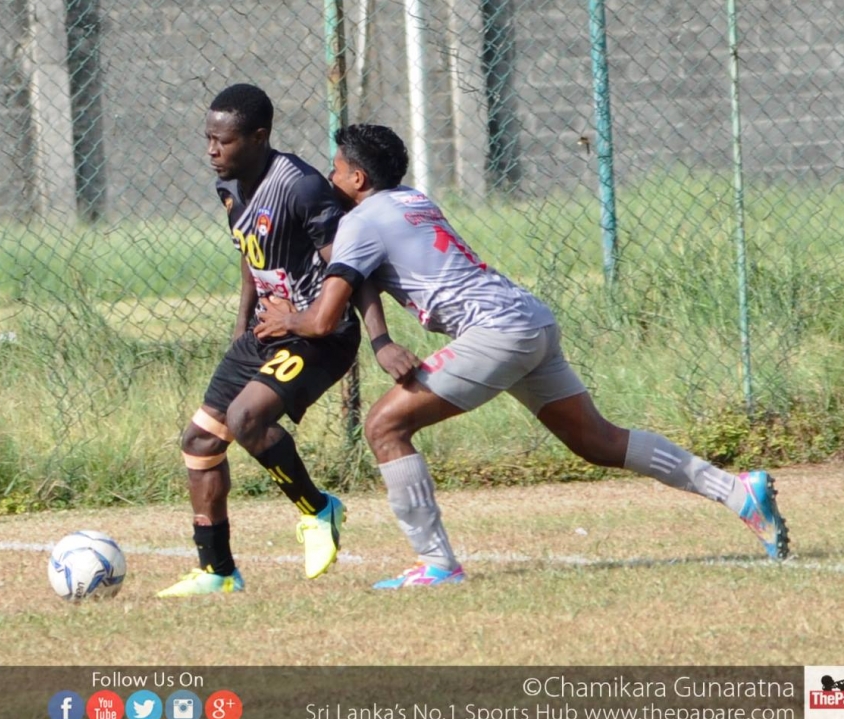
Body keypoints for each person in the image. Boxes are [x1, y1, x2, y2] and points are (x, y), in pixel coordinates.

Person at [255, 123, 790, 589]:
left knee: (384, 426)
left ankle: (436, 564)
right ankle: (736, 490)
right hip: (528, 317)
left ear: (357, 179)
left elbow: (323, 319)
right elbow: (370, 275)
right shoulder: (413, 200)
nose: (330, 178)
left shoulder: (359, 222)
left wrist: (286, 319)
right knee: (598, 441)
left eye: (336, 169)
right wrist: (381, 340)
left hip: (495, 332)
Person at [156, 84, 360, 597]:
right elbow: (252, 254)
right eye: (208, 139)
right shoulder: (230, 185)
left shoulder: (300, 186)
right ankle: (218, 572)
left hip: (320, 334)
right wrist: (242, 322)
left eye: (223, 141)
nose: (212, 150)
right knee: (200, 442)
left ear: (259, 137)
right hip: (266, 331)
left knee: (246, 418)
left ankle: (318, 510)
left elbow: (348, 265)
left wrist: (372, 337)